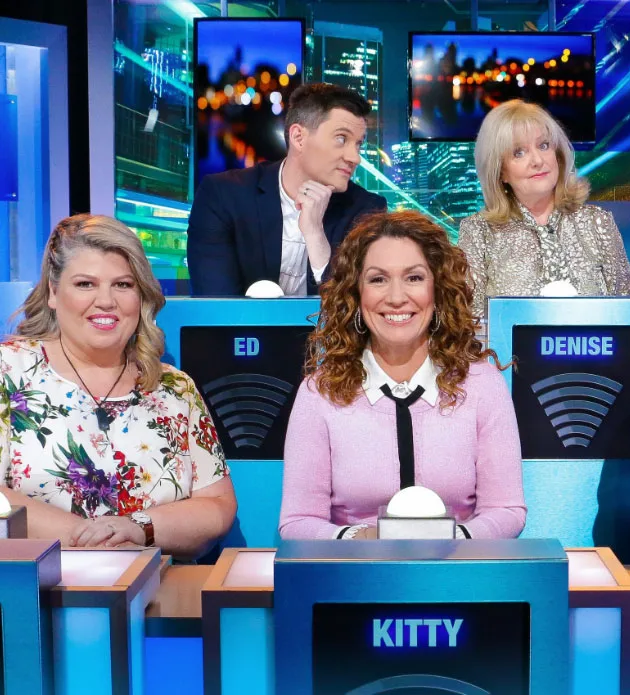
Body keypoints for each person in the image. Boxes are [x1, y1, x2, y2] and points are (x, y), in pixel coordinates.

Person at [279, 211, 526, 539]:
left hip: (458, 565)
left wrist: (453, 541)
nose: (396, 298)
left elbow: (506, 511)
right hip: (355, 567)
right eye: (378, 279)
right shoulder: (320, 393)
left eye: (414, 278)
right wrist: (358, 539)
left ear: (437, 289)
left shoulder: (482, 385)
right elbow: (298, 522)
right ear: (356, 292)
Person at [0, 214, 237, 556]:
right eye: (86, 284)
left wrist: (137, 528)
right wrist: (92, 538)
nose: (106, 301)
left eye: (123, 285)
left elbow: (217, 505)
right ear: (53, 291)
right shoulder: (9, 372)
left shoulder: (174, 387)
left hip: (159, 584)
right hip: (39, 585)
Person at [187, 83, 387, 296]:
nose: (355, 158)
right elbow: (216, 303)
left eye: (358, 145)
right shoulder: (222, 196)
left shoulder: (366, 210)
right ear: (298, 138)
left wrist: (315, 233)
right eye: (341, 139)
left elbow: (357, 306)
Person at [459, 100, 630, 318]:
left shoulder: (598, 222)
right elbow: (469, 321)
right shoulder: (478, 232)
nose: (537, 160)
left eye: (543, 146)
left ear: (558, 156)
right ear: (500, 171)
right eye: (519, 152)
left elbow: (629, 312)